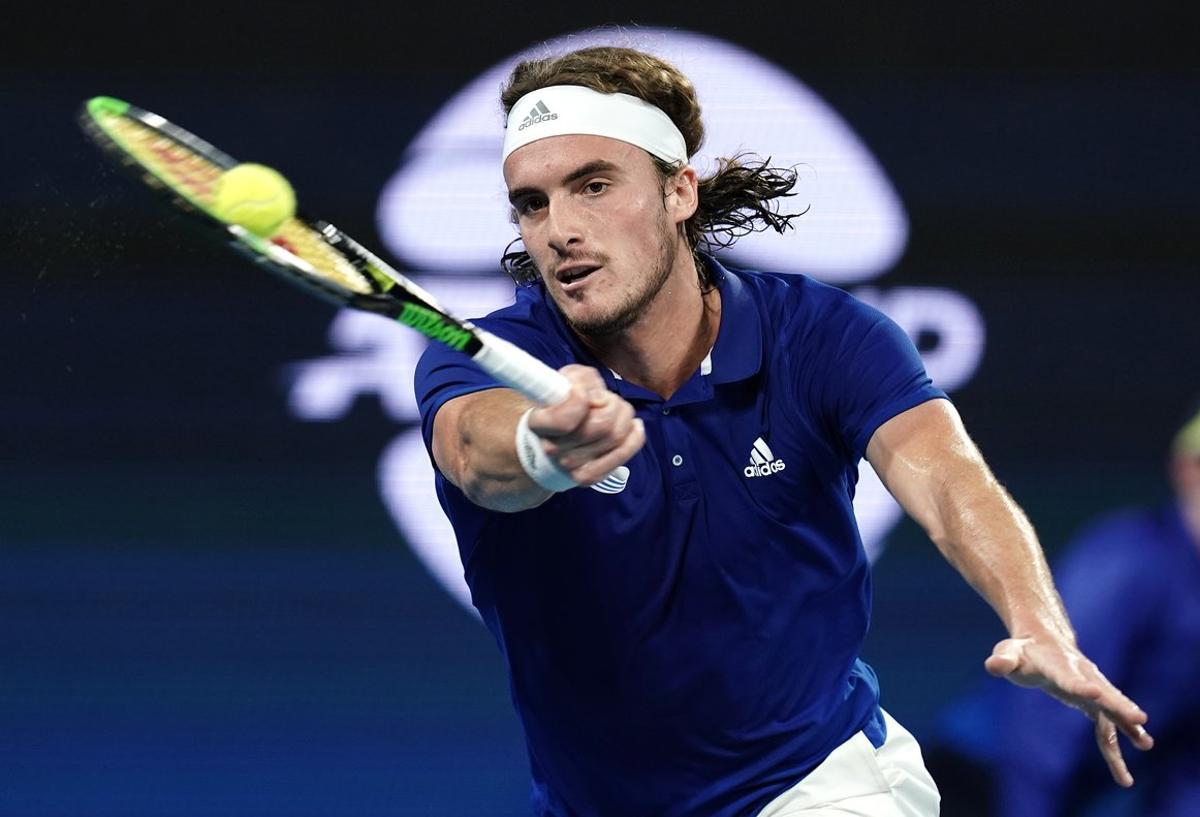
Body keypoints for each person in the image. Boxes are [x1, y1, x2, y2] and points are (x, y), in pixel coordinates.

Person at [413, 46, 1153, 816]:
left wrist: (1040, 625)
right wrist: (544, 442)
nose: (560, 228)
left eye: (594, 186)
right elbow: (474, 449)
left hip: (822, 784)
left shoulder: (825, 334)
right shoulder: (481, 358)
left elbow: (947, 475)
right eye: (532, 203)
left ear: (678, 192)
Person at [932, 403, 1200, 817]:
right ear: (1187, 469)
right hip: (980, 784)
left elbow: (1188, 765)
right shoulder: (1128, 556)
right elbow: (1045, 717)